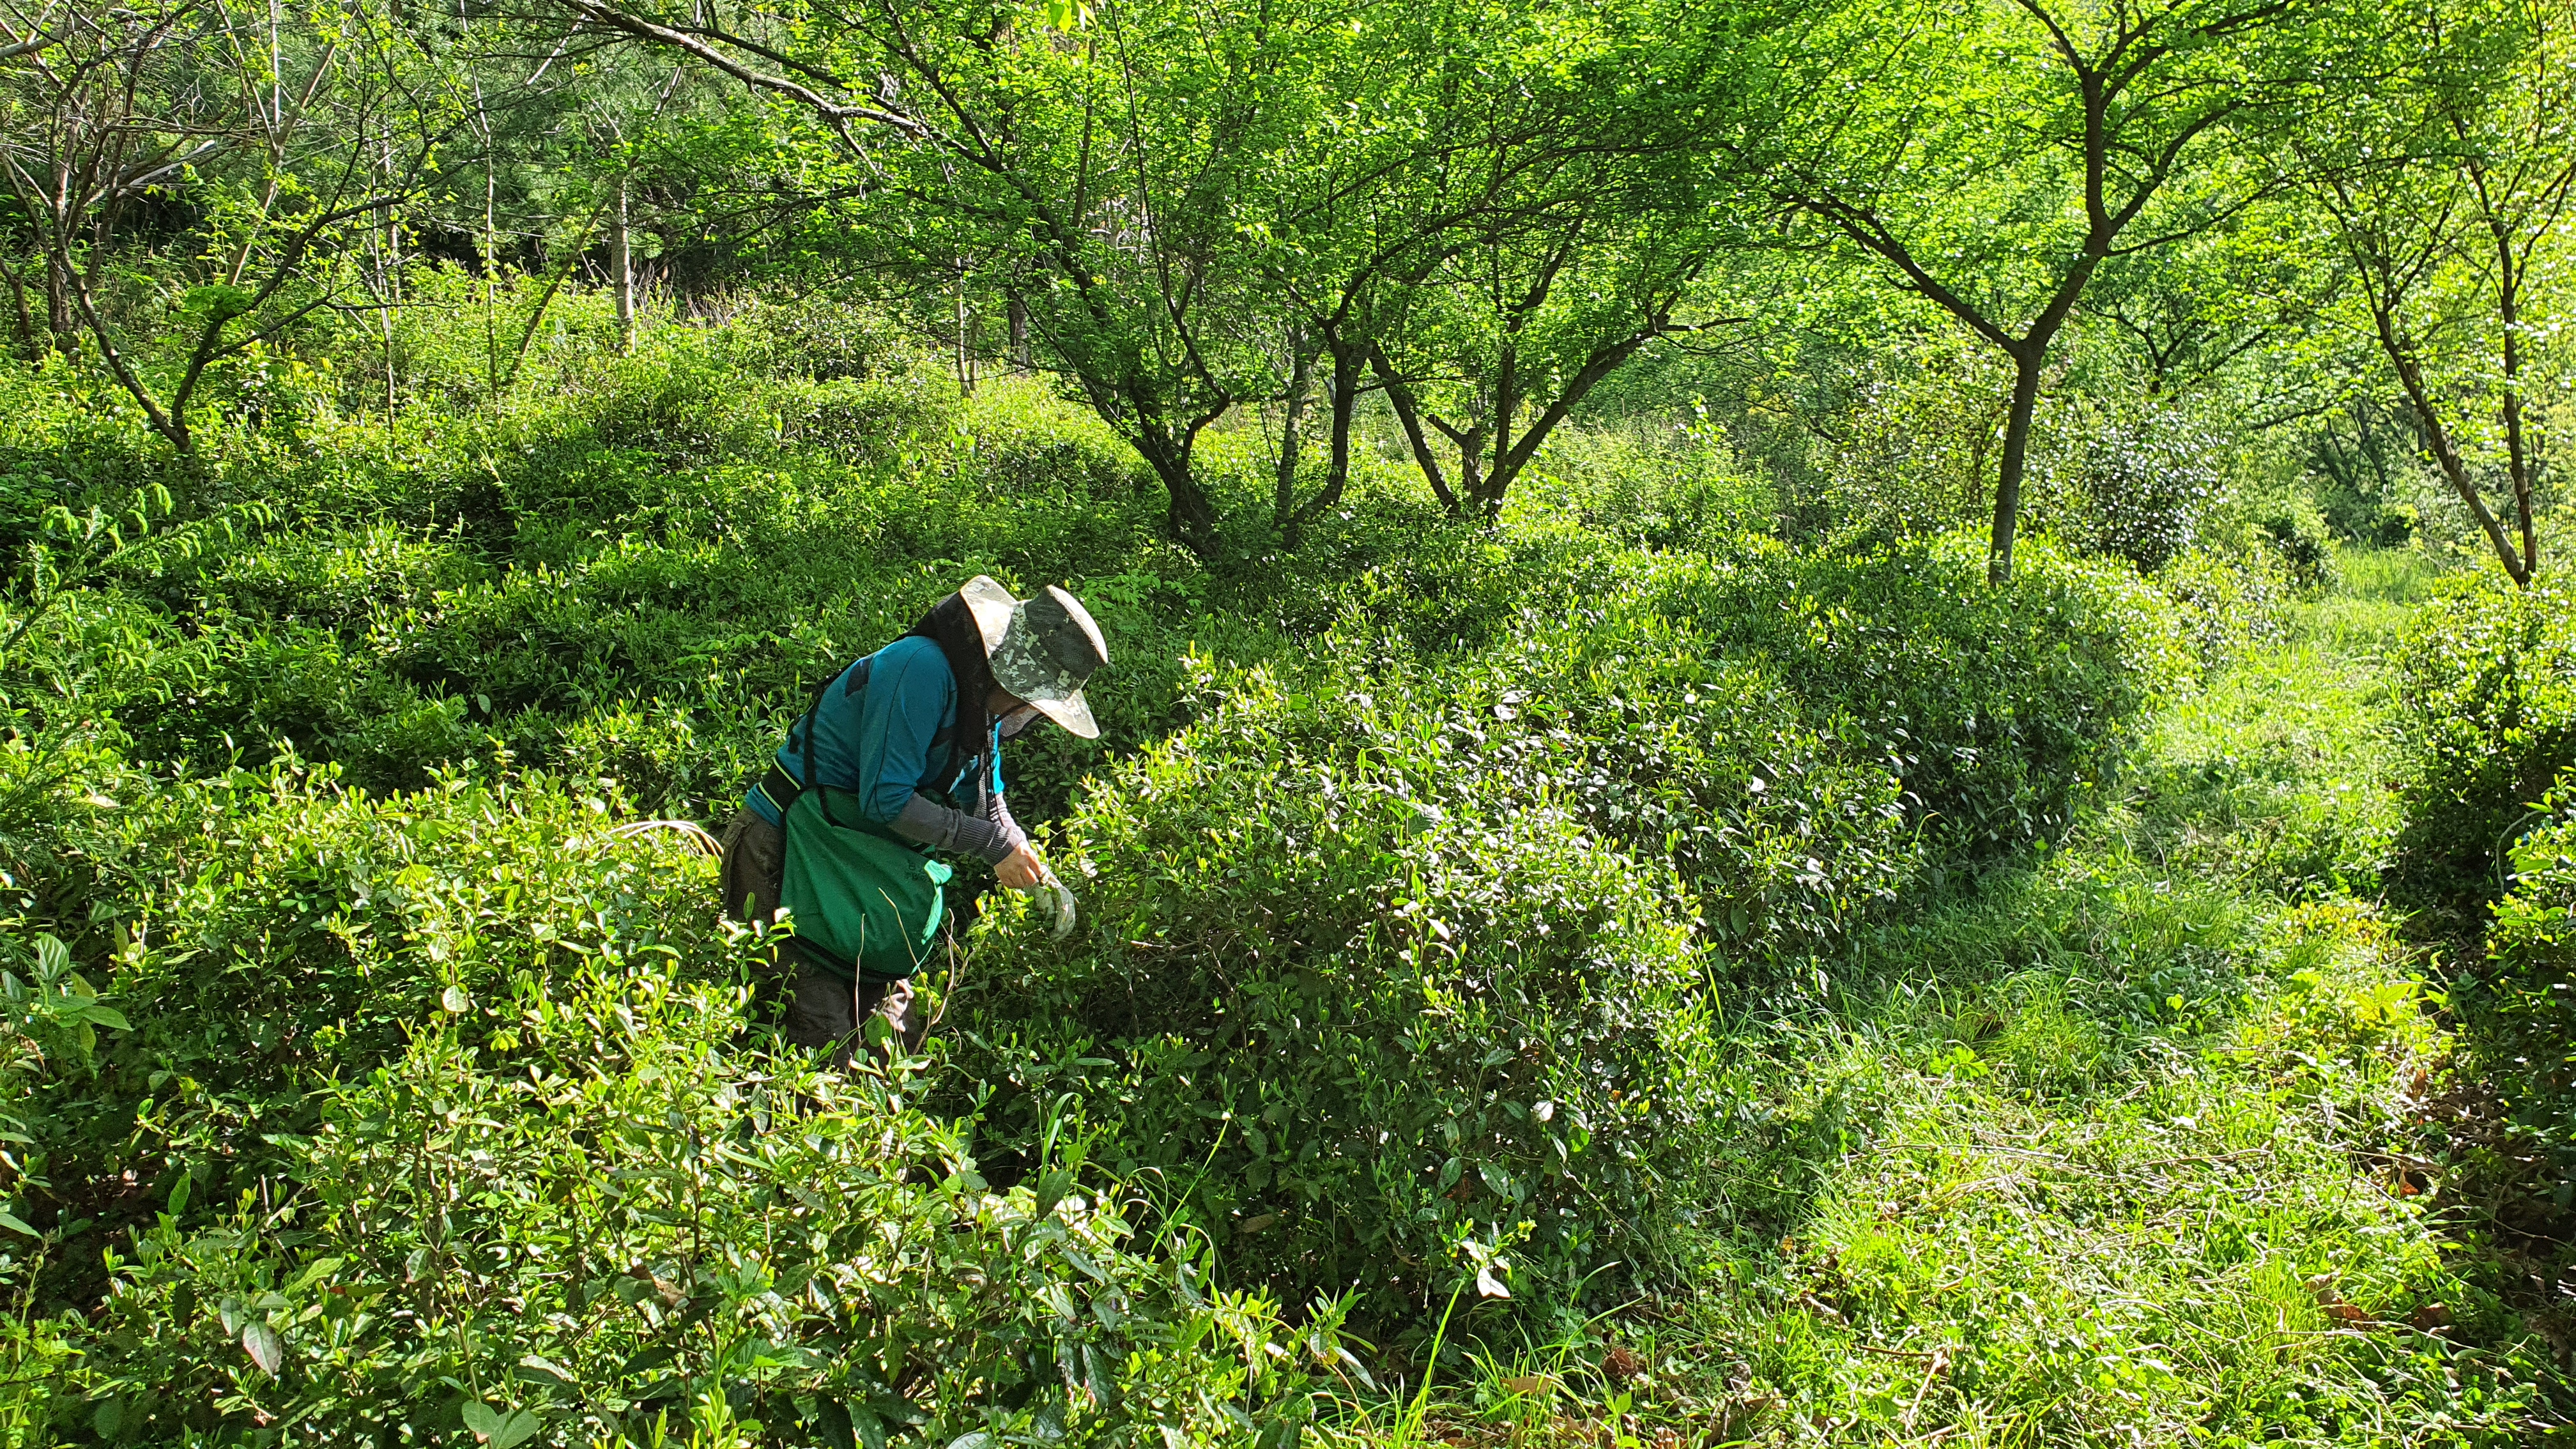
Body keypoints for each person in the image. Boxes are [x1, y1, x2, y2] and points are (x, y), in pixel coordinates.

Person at [717, 576, 1108, 1059]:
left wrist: (1030, 864)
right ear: (1011, 676)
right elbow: (886, 799)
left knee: (893, 1048)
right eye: (1034, 702)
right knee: (817, 1046)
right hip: (784, 853)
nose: (1030, 715)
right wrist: (989, 846)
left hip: (857, 866)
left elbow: (986, 802)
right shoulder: (921, 669)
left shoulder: (981, 708)